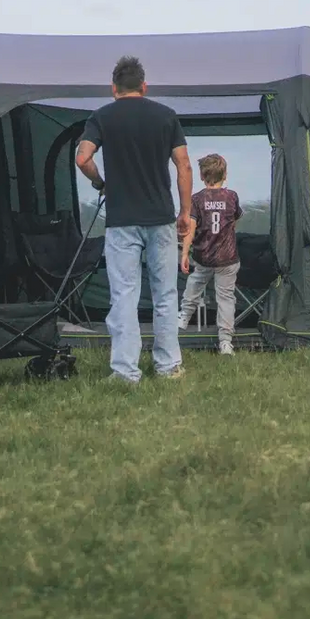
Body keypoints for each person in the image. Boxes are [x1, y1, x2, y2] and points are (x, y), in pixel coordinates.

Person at [75, 56, 193, 383]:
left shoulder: (101, 117)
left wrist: (100, 182)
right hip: (160, 218)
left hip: (121, 220)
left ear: (113, 89)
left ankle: (126, 371)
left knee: (124, 295)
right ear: (144, 86)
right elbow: (184, 166)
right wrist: (185, 212)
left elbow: (82, 158)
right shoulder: (166, 116)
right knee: (166, 294)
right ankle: (168, 367)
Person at [178, 153, 242, 355]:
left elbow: (190, 228)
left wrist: (185, 253)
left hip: (204, 257)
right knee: (225, 298)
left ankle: (182, 319)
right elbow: (234, 219)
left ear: (202, 176)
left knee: (194, 285)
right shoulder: (231, 196)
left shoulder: (197, 199)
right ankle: (225, 341)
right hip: (228, 258)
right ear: (225, 175)